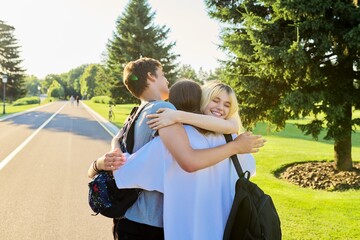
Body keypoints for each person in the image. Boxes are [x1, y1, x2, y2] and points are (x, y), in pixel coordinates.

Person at [88, 58, 264, 240]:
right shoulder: (164, 112)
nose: (167, 80)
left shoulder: (139, 113)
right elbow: (190, 161)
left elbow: (119, 146)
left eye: (227, 104)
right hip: (151, 223)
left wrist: (96, 165)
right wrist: (234, 144)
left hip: (145, 220)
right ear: (151, 77)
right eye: (163, 75)